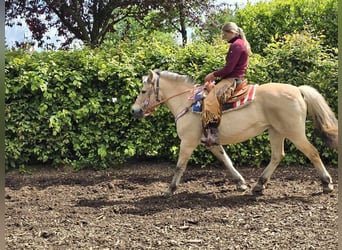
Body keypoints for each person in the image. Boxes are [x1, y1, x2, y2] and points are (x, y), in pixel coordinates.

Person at [201, 22, 252, 146]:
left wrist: (213, 75)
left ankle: (213, 135)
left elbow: (229, 69)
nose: (224, 37)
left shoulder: (236, 45)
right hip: (232, 77)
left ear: (232, 32)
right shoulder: (240, 43)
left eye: (225, 34)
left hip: (232, 80)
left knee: (209, 99)